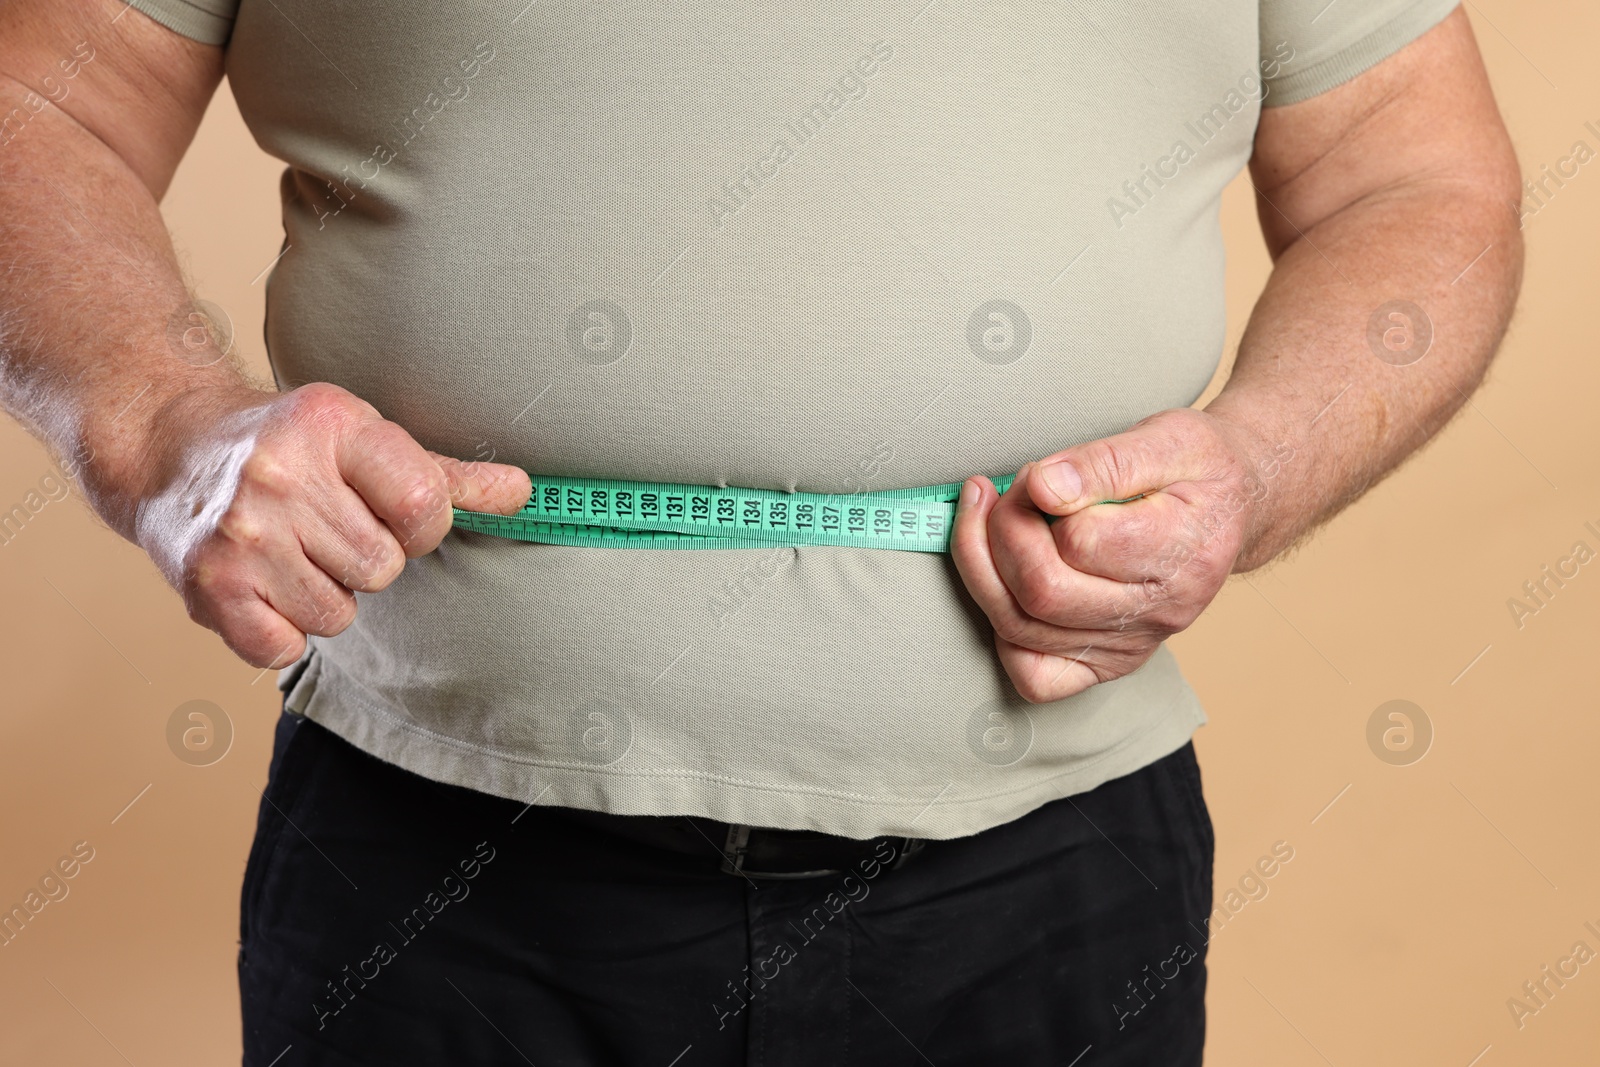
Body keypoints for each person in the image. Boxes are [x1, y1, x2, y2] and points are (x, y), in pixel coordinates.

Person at [0, 0, 1520, 1062]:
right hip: (436, 861)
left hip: (1044, 874)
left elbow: (1415, 175)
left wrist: (1254, 467)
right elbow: (39, 102)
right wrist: (167, 433)